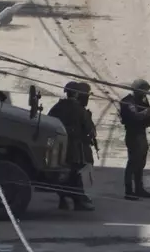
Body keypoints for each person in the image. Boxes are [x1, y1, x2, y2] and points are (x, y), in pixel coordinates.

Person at [48, 81, 95, 211]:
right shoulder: (79, 110)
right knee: (75, 174)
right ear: (76, 94)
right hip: (75, 149)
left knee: (65, 174)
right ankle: (79, 200)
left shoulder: (58, 106)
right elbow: (88, 130)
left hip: (60, 146)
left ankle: (63, 199)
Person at [119, 79, 150, 201]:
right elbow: (135, 115)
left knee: (140, 163)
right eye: (144, 91)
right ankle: (129, 191)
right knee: (132, 163)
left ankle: (139, 189)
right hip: (133, 135)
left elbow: (147, 111)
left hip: (141, 134)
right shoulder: (128, 101)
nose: (145, 94)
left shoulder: (141, 100)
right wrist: (147, 112)